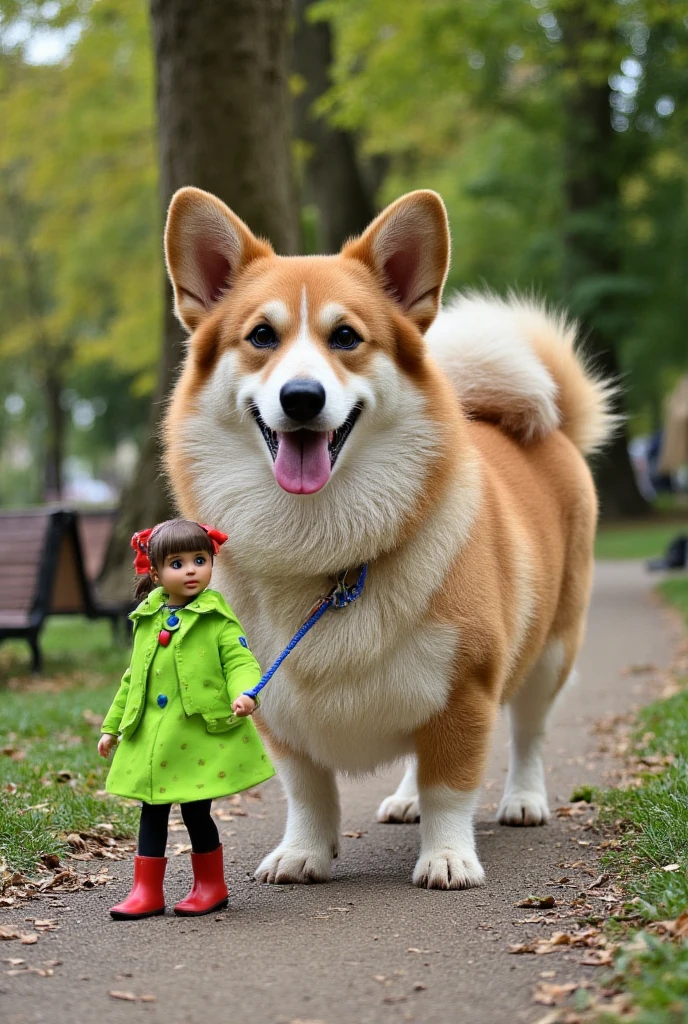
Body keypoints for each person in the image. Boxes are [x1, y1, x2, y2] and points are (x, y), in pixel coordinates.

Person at [98, 519, 274, 920]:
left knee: (197, 811)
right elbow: (133, 678)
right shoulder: (147, 619)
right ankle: (146, 891)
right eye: (177, 563)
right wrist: (112, 727)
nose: (191, 570)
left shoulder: (215, 618)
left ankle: (211, 886)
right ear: (155, 573)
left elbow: (239, 660)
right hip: (153, 737)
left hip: (196, 736)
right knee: (152, 810)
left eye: (200, 559)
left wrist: (245, 692)